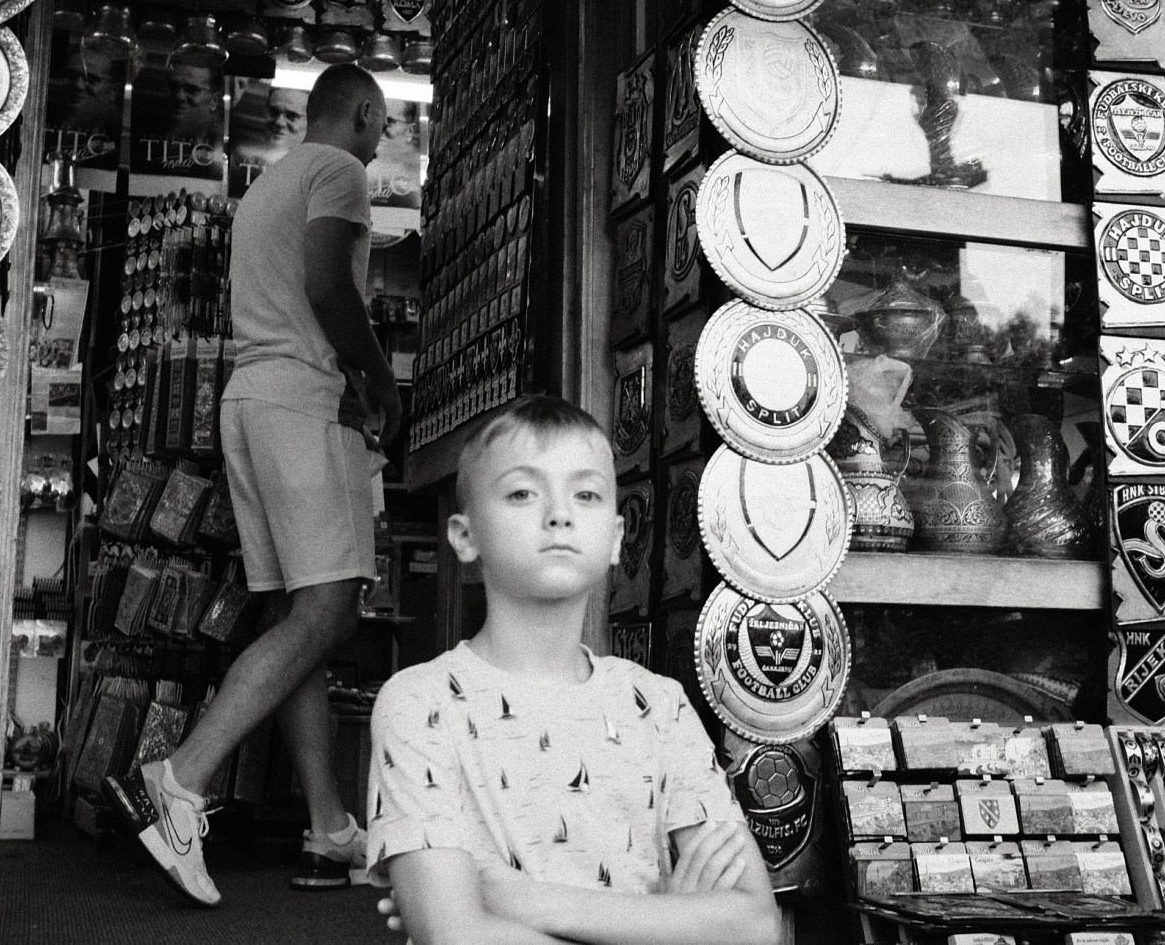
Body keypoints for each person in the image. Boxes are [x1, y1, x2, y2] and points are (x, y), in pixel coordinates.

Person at [106, 64, 403, 905]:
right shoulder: (338, 172)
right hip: (304, 400)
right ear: (364, 111)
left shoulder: (268, 183)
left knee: (294, 615)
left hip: (249, 399)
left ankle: (329, 826)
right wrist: (380, 381)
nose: (379, 142)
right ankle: (183, 777)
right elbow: (327, 286)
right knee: (329, 611)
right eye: (381, 125)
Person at [364, 395, 782, 945]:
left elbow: (755, 925)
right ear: (465, 536)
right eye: (522, 493)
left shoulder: (658, 704)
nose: (559, 514)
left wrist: (515, 899)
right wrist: (673, 926)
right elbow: (454, 934)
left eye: (585, 494)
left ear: (615, 538)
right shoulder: (420, 703)